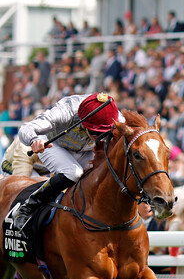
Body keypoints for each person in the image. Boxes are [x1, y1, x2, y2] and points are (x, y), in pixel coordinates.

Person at [13, 93, 120, 229]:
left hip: (85, 151)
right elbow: (26, 128)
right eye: (95, 132)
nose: (99, 137)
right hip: (52, 144)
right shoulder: (66, 110)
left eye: (104, 133)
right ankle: (29, 206)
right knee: (73, 172)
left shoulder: (116, 116)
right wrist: (34, 140)